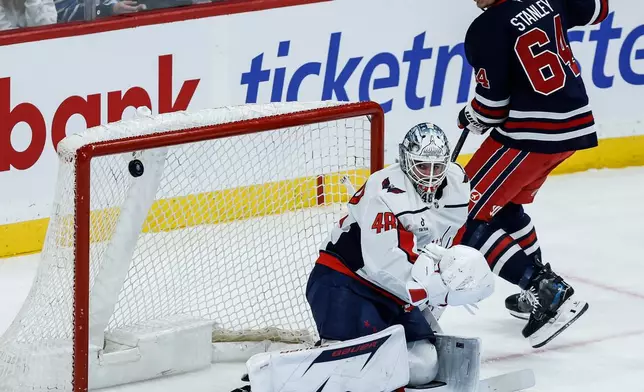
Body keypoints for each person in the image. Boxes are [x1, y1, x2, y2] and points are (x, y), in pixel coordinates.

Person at [455, 0, 609, 348]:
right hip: (572, 129)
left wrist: (471, 115)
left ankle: (545, 290)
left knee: (458, 215)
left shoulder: (486, 28)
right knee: (504, 208)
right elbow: (600, 8)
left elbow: (492, 108)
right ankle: (540, 286)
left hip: (529, 135)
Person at [305, 123, 495, 388]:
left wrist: (448, 283)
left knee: (424, 365)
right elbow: (379, 264)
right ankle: (322, 367)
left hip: (396, 292)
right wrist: (431, 290)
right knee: (360, 360)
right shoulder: (383, 189)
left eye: (437, 167)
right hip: (344, 281)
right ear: (406, 161)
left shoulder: (457, 183)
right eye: (422, 167)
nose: (430, 176)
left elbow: (447, 241)